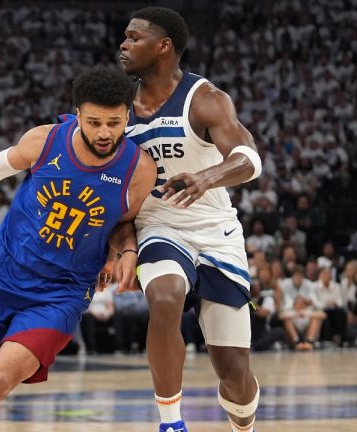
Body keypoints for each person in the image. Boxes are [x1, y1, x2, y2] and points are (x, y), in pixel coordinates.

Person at [0, 66, 156, 432]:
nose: (105, 133)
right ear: (77, 116)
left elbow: (124, 224)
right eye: (94, 122)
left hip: (62, 293)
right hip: (1, 274)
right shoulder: (45, 140)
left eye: (114, 122)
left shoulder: (139, 169)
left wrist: (123, 252)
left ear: (127, 116)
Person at [120, 7, 261, 432]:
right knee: (164, 298)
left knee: (234, 374)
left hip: (216, 233)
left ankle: (244, 424)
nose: (123, 45)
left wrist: (207, 175)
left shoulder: (205, 98)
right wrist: (121, 242)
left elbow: (249, 158)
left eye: (133, 37)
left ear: (163, 47)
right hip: (159, 227)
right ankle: (170, 424)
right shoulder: (118, 106)